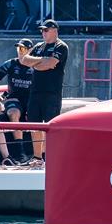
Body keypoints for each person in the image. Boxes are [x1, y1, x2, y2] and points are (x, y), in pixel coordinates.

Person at [20, 19, 69, 166]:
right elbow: (23, 60)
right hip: (35, 91)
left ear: (55, 30)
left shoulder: (61, 46)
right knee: (34, 124)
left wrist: (37, 63)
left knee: (50, 126)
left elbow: (49, 65)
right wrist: (41, 61)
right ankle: (37, 157)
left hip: (52, 92)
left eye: (46, 30)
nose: (43, 33)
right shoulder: (39, 46)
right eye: (42, 30)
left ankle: (50, 157)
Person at [0, 38, 35, 163]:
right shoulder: (10, 64)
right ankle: (20, 152)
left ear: (31, 50)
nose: (20, 51)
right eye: (18, 48)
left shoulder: (37, 65)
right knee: (14, 113)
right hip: (14, 100)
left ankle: (40, 154)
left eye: (23, 48)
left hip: (31, 101)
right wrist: (1, 100)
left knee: (40, 117)